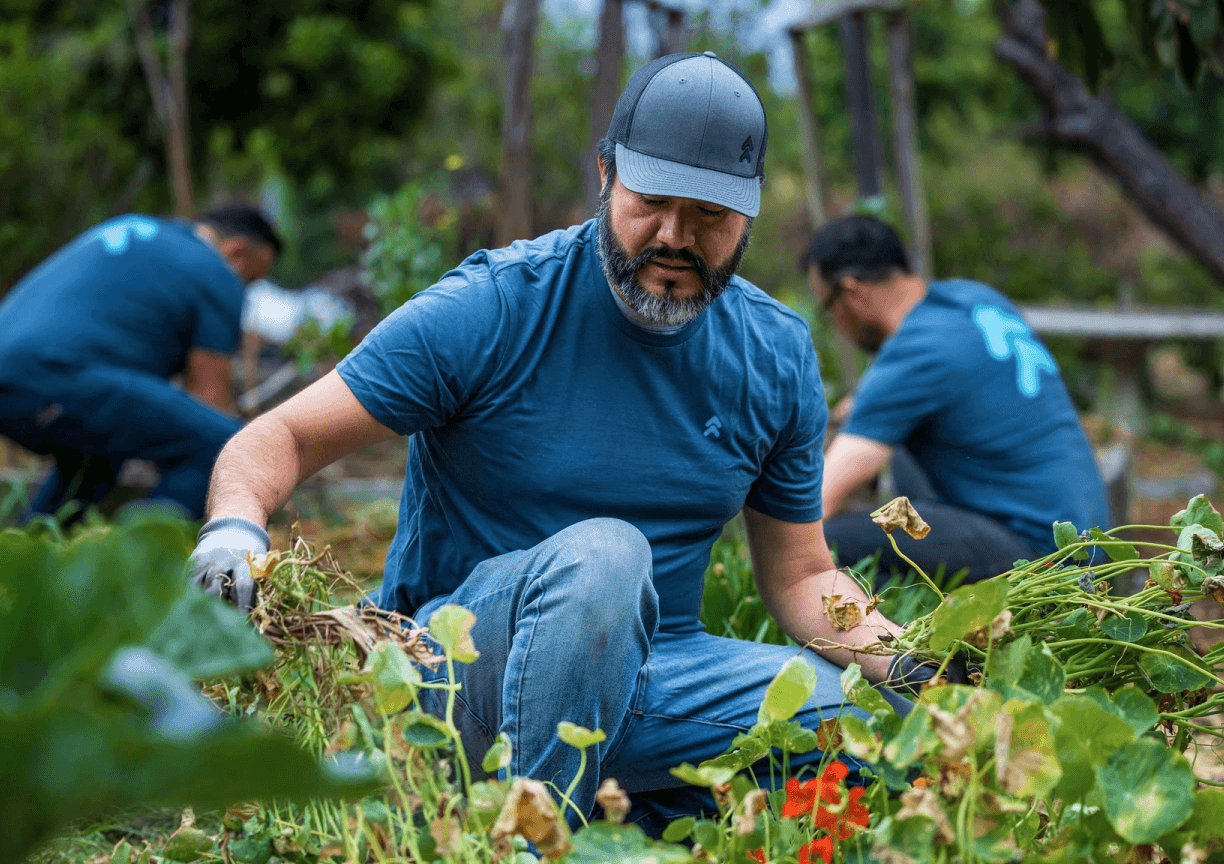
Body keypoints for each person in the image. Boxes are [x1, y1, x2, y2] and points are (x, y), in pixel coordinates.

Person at [188, 53, 928, 833]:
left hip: (659, 678)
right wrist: (235, 526)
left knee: (855, 714)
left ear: (748, 213)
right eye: (652, 202)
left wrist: (919, 662)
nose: (675, 236)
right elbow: (282, 436)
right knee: (608, 557)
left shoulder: (774, 354)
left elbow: (803, 573)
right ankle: (536, 840)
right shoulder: (496, 306)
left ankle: (612, 806)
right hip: (453, 679)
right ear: (606, 175)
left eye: (709, 214)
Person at [805, 215, 1110, 585]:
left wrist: (753, 558)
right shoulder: (974, 298)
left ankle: (902, 634)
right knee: (903, 449)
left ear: (853, 293)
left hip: (1044, 558)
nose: (836, 325)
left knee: (827, 540)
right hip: (1090, 537)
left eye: (829, 307)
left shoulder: (915, 354)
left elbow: (817, 502)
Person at [0, 204, 280, 521]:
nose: (245, 289)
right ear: (237, 251)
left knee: (98, 462)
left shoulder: (138, 228)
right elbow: (209, 401)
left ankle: (26, 557)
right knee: (223, 447)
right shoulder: (218, 272)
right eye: (251, 278)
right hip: (55, 376)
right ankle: (135, 561)